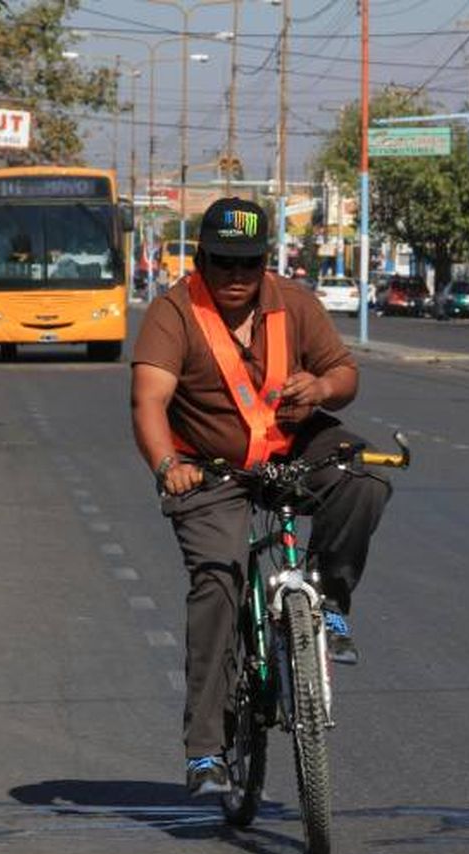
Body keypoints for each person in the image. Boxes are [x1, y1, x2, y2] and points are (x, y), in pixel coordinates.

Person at [130, 198, 390, 797]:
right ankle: (205, 750)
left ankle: (330, 599)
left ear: (265, 262)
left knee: (366, 476)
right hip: (207, 469)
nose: (236, 278)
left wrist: (320, 385)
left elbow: (344, 375)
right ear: (202, 258)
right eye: (223, 264)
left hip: (292, 450)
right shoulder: (174, 313)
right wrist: (167, 464)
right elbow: (147, 401)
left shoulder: (293, 304)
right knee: (218, 581)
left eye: (249, 264)